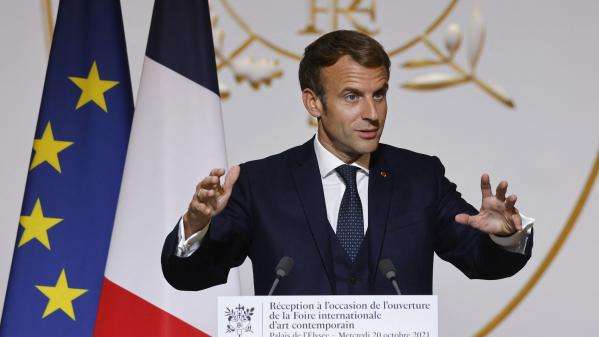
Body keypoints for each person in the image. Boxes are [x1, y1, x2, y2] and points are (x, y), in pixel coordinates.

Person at [161, 30, 534, 295]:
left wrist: (505, 236)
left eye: (380, 94)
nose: (372, 113)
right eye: (352, 96)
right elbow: (190, 275)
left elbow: (483, 261)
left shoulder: (421, 178)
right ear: (313, 103)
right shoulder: (261, 183)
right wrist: (195, 226)